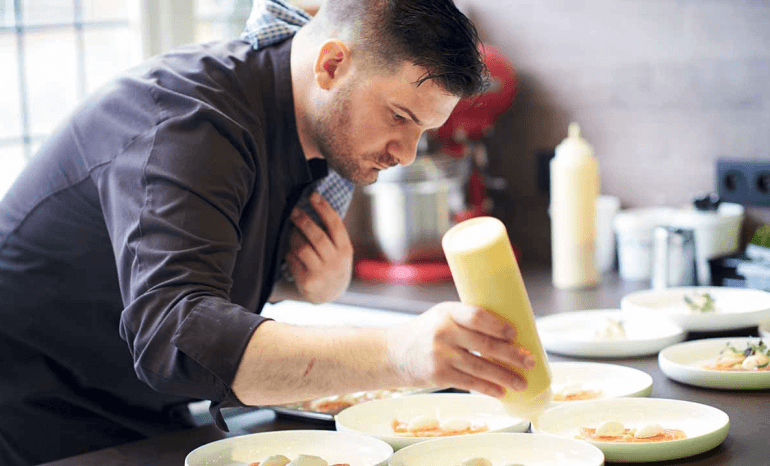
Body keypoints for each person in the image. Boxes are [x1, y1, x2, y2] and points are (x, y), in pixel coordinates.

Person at [0, 0, 535, 464]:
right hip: (34, 417)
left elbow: (184, 273)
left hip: (139, 409)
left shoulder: (308, 131)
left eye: (423, 130)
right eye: (399, 116)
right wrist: (400, 354)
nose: (406, 153)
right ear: (331, 64)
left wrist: (303, 282)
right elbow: (175, 334)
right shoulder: (186, 120)